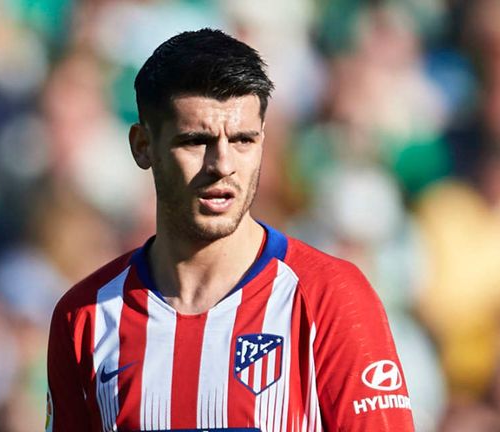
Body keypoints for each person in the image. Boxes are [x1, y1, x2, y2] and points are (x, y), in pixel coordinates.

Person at [46, 28, 414, 431]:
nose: (222, 165)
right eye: (196, 141)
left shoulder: (328, 297)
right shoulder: (84, 316)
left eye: (242, 140)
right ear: (142, 146)